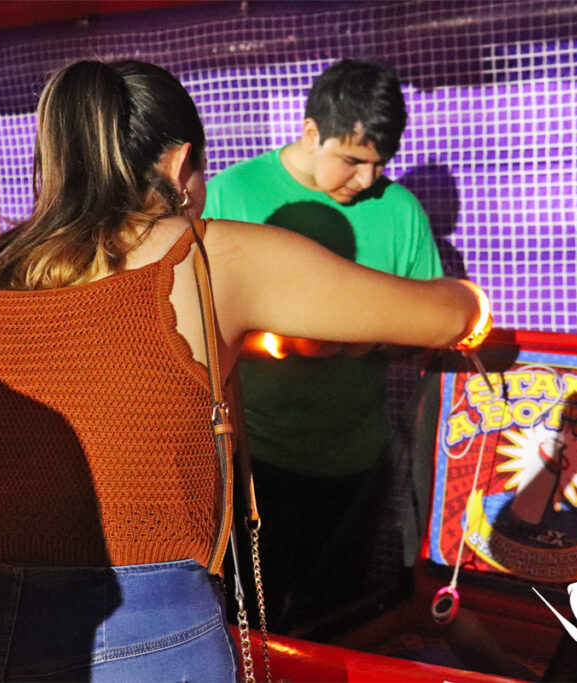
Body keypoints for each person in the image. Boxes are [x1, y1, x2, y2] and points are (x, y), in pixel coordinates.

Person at [0, 59, 488, 681]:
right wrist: (473, 303)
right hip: (146, 638)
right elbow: (443, 318)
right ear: (179, 167)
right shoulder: (211, 256)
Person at [202, 58, 442, 633]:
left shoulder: (399, 209)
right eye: (352, 160)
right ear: (311, 133)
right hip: (253, 462)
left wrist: (376, 342)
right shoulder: (231, 195)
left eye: (379, 164)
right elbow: (192, 322)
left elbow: (429, 322)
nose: (365, 181)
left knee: (336, 628)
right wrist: (274, 342)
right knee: (250, 630)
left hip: (357, 461)